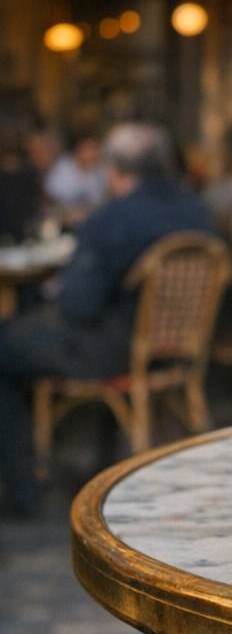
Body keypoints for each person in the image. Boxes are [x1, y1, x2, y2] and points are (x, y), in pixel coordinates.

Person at [0, 123, 212, 516]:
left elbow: (78, 306)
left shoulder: (111, 219)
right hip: (180, 349)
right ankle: (88, 459)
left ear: (114, 171)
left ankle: (22, 491)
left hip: (115, 354)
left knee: (6, 346)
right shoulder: (195, 210)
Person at [43, 132, 109, 222]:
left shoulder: (99, 172)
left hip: (89, 220)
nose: (93, 153)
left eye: (96, 149)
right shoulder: (63, 166)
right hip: (61, 218)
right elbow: (51, 195)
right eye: (89, 149)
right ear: (78, 149)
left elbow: (100, 202)